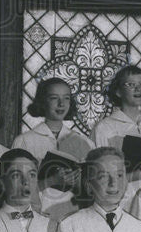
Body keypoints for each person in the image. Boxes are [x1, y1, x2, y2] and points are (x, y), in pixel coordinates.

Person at [13, 78, 94, 220]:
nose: (61, 104)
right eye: (54, 98)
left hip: (75, 217)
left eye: (66, 98)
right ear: (43, 102)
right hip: (38, 217)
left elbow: (94, 190)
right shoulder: (24, 141)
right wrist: (52, 181)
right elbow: (14, 189)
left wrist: (79, 183)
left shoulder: (84, 142)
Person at [91, 66, 141, 188]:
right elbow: (98, 175)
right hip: (122, 197)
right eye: (131, 84)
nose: (138, 89)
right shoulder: (104, 128)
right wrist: (137, 175)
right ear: (118, 91)